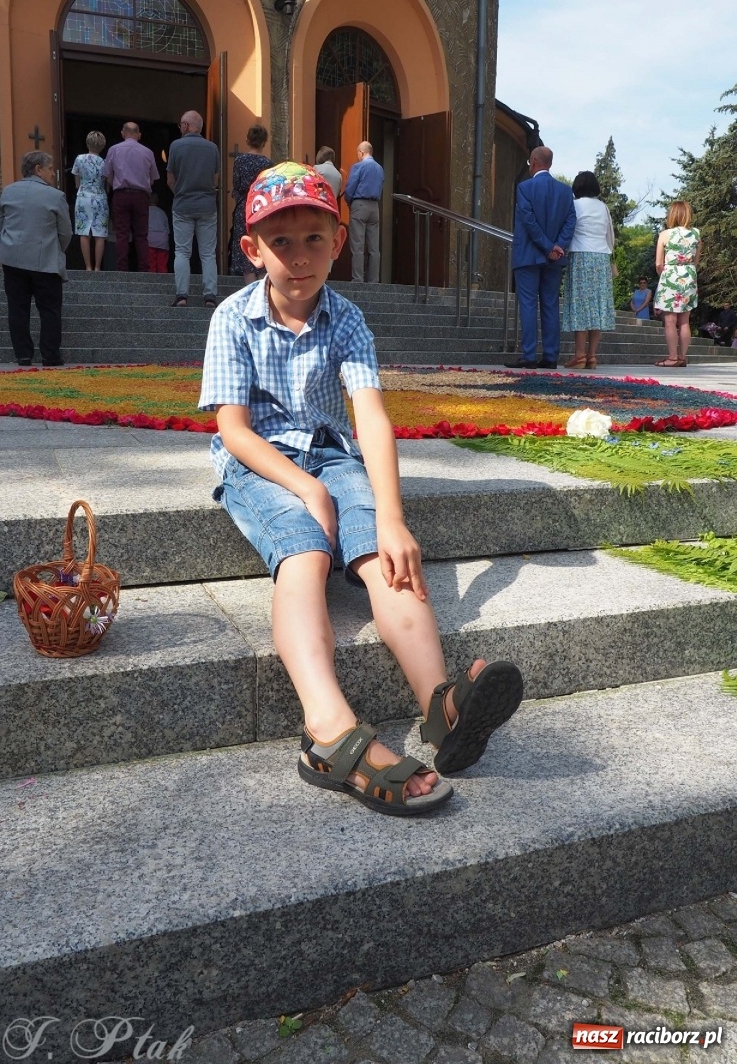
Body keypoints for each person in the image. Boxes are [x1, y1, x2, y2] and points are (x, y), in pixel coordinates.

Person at [199, 161, 523, 816]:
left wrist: (392, 517)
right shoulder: (232, 320)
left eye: (313, 238)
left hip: (332, 454)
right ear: (252, 249)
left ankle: (442, 706)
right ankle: (328, 728)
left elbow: (370, 417)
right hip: (260, 463)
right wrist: (303, 489)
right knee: (304, 556)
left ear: (338, 242)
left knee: (383, 555)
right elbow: (233, 431)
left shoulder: (347, 319)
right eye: (280, 241)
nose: (298, 257)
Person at [0, 151, 71, 367]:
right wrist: (56, 250)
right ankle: (50, 355)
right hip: (44, 259)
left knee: (17, 307)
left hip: (12, 259)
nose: (53, 173)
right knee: (50, 309)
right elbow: (66, 232)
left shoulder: (7, 191)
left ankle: (23, 355)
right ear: (38, 169)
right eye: (50, 168)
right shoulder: (56, 196)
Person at [511, 146, 576, 368]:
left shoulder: (524, 188)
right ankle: (550, 356)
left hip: (528, 255)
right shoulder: (565, 191)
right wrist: (558, 246)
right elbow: (570, 221)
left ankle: (529, 355)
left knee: (528, 304)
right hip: (554, 259)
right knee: (550, 304)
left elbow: (528, 221)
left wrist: (548, 246)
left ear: (533, 161)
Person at [561, 171, 616, 371]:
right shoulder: (604, 207)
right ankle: (592, 355)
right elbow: (610, 235)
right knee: (597, 306)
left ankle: (579, 355)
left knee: (580, 305)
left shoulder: (574, 205)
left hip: (580, 255)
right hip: (601, 257)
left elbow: (568, 229)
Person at [167, 110, 220, 308]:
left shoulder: (176, 146)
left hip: (182, 205)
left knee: (182, 252)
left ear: (187, 126)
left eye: (181, 124)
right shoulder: (212, 148)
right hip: (207, 205)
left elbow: (170, 179)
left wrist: (180, 192)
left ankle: (182, 295)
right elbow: (215, 180)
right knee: (208, 253)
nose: (180, 127)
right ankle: (210, 296)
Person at [102, 121, 159, 273]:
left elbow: (108, 177)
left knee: (122, 233)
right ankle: (143, 270)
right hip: (141, 196)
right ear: (139, 135)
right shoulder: (148, 152)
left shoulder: (113, 150)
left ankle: (122, 269)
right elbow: (153, 179)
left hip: (121, 195)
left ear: (123, 133)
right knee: (141, 235)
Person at [653, 200, 701, 367]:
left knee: (670, 321)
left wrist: (664, 275)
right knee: (685, 320)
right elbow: (696, 261)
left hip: (671, 275)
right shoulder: (696, 233)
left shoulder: (665, 235)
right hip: (688, 275)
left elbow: (659, 263)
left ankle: (672, 357)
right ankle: (682, 357)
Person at [229, 124, 272, 285]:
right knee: (261, 245)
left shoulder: (240, 161)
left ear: (248, 140)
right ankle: (261, 290)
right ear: (264, 142)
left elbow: (237, 186)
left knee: (246, 252)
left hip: (244, 208)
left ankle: (250, 289)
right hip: (262, 208)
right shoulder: (268, 163)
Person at [344, 140, 384, 283]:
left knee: (358, 245)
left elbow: (350, 189)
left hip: (360, 205)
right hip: (374, 207)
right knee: (374, 248)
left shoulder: (358, 167)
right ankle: (374, 281)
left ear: (361, 153)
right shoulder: (379, 168)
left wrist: (349, 202)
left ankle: (358, 279)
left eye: (358, 154)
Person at [71, 131, 109, 271]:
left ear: (87, 143)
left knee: (84, 231)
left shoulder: (79, 159)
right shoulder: (104, 162)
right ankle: (98, 267)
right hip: (100, 197)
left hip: (83, 197)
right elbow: (107, 182)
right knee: (100, 233)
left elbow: (76, 182)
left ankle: (87, 266)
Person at [147, 194, 170, 273]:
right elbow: (168, 230)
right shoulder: (162, 212)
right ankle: (163, 282)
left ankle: (152, 282)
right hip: (163, 241)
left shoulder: (146, 211)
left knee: (151, 264)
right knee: (162, 265)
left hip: (150, 240)